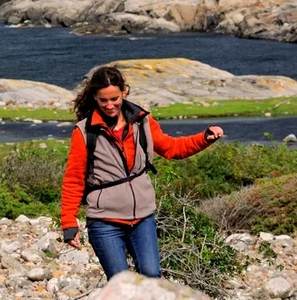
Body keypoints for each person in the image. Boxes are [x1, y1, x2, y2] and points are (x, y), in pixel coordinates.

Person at [60, 66, 223, 280]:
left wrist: (204, 138)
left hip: (142, 218)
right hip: (104, 221)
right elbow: (74, 179)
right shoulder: (84, 132)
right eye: (103, 101)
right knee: (121, 284)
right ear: (94, 98)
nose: (110, 106)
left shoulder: (142, 121)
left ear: (124, 92)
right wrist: (69, 223)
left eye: (114, 99)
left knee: (151, 276)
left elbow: (172, 148)